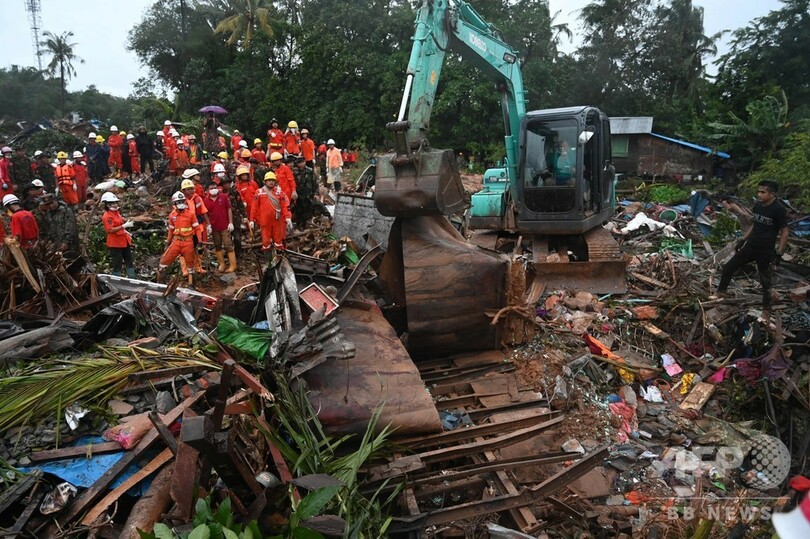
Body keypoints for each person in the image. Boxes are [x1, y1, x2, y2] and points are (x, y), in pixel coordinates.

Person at [712, 180, 789, 319]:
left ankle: (766, 310)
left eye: (763, 192)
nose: (759, 194)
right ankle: (720, 292)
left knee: (766, 282)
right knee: (728, 267)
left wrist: (779, 253)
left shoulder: (778, 210)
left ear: (772, 194)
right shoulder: (758, 206)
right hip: (751, 246)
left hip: (765, 250)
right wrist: (743, 239)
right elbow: (755, 225)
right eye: (758, 191)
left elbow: (784, 232)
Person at [157, 191, 201, 286]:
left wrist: (200, 241)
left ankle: (191, 286)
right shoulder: (172, 216)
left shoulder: (190, 214)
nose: (181, 204)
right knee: (163, 263)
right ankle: (160, 284)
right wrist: (167, 241)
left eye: (182, 201)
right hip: (176, 242)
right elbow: (171, 230)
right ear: (174, 204)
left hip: (188, 242)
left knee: (190, 266)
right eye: (178, 202)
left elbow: (197, 228)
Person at [250, 171, 291, 252]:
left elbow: (283, 206)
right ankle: (266, 254)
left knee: (278, 239)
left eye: (273, 180)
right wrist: (251, 219)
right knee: (266, 241)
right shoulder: (259, 192)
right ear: (265, 182)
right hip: (265, 220)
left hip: (277, 220)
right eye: (269, 180)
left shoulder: (279, 192)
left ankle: (278, 254)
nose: (271, 182)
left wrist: (287, 217)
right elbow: (254, 207)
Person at [181, 172, 211, 275]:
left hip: (198, 226)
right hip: (186, 228)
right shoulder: (180, 200)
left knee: (199, 247)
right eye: (188, 189)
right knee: (186, 249)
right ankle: (185, 270)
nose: (191, 191)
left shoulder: (198, 198)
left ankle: (198, 267)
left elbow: (204, 211)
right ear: (183, 191)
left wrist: (209, 225)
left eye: (192, 189)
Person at [100, 192, 135, 277]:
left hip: (124, 240)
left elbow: (120, 220)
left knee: (129, 260)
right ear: (108, 205)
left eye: (116, 203)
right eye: (113, 203)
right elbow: (110, 230)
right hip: (115, 243)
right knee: (117, 263)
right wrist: (124, 226)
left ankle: (132, 277)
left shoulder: (116, 213)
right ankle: (116, 279)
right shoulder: (107, 216)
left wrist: (126, 227)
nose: (116, 205)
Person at [204, 182, 236, 273]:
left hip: (225, 225)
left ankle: (233, 265)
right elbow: (205, 213)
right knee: (217, 245)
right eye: (211, 188)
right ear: (207, 190)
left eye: (215, 187)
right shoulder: (205, 201)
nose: (214, 189)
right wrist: (208, 224)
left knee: (228, 244)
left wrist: (230, 222)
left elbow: (229, 209)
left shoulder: (224, 197)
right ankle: (222, 264)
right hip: (214, 227)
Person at [38, 191, 80, 258]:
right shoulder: (48, 214)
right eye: (48, 204)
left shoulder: (66, 211)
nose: (51, 206)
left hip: (69, 245)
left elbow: (71, 228)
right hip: (56, 245)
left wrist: (66, 241)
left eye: (52, 203)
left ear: (56, 200)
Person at [292, 156, 331, 225]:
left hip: (309, 194)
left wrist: (316, 193)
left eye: (302, 162)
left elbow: (315, 183)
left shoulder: (310, 171)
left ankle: (329, 217)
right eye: (299, 163)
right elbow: (293, 184)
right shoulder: (295, 172)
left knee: (316, 206)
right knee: (299, 211)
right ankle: (300, 225)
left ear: (305, 162)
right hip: (299, 195)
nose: (301, 164)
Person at [221, 173, 244, 256]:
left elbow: (240, 204)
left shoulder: (234, 192)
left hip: (235, 217)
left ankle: (238, 253)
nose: (225, 185)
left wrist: (244, 216)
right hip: (225, 218)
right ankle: (229, 253)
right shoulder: (220, 195)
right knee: (227, 237)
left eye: (226, 183)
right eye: (224, 184)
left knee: (237, 237)